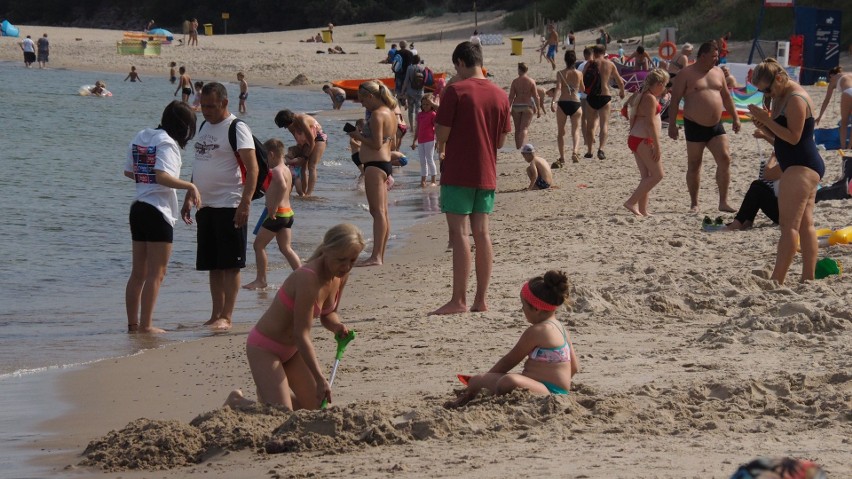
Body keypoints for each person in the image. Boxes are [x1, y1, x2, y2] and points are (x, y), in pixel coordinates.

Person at [224, 224, 365, 410]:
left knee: (317, 409)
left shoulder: (341, 275)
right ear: (326, 251)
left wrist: (336, 325)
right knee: (282, 414)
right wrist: (320, 378)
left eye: (352, 261)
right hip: (265, 348)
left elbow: (328, 313)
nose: (346, 266)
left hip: (292, 351)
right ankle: (238, 402)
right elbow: (301, 335)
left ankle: (268, 396)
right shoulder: (308, 279)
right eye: (341, 260)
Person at [430, 41, 511, 315]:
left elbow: (441, 136)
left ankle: (459, 300)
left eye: (457, 67)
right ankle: (481, 300)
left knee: (459, 234)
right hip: (486, 171)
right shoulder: (501, 94)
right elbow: (500, 141)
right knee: (483, 234)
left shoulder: (455, 90)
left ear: (461, 63)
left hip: (458, 171)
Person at [181, 82, 259, 331]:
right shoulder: (204, 125)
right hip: (206, 205)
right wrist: (189, 194)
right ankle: (215, 314)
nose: (206, 110)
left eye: (211, 106)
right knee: (212, 264)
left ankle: (227, 315)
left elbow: (253, 167)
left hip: (230, 204)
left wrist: (245, 202)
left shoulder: (237, 128)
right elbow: (200, 163)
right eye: (203, 106)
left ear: (225, 103)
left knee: (230, 264)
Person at [445, 270, 579, 408]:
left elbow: (509, 361)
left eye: (524, 306)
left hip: (548, 391)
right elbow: (574, 367)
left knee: (508, 381)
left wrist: (488, 377)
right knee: (475, 381)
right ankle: (477, 388)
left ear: (537, 309)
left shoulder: (537, 331)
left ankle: (484, 394)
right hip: (550, 387)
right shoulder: (562, 329)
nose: (522, 309)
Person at [124, 101, 200, 334]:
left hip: (138, 208)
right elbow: (162, 176)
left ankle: (133, 325)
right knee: (157, 273)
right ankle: (146, 325)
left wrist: (148, 177)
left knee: (138, 273)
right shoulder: (167, 143)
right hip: (158, 211)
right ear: (183, 127)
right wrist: (191, 186)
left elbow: (129, 171)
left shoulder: (142, 135)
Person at [748, 58, 824, 284]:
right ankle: (807, 278)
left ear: (779, 78)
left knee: (788, 226)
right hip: (799, 163)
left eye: (768, 89)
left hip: (802, 165)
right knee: (804, 224)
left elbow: (794, 137)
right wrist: (764, 129)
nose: (767, 95)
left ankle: (777, 280)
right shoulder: (781, 95)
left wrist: (766, 120)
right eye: (763, 92)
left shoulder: (796, 98)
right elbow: (782, 138)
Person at [667, 41, 740, 213]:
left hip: (716, 125)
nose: (716, 59)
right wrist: (672, 125)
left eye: (717, 56)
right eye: (714, 56)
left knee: (725, 159)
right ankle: (694, 203)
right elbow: (675, 99)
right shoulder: (686, 73)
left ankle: (723, 201)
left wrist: (736, 118)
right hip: (694, 124)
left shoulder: (718, 72)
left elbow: (727, 98)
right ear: (703, 55)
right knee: (694, 164)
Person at [347, 80, 398, 267]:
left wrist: (357, 135)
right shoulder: (390, 113)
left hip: (375, 165)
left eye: (362, 99)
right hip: (383, 164)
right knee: (382, 212)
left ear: (370, 96)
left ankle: (376, 256)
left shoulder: (377, 114)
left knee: (377, 212)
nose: (362, 103)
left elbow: (376, 143)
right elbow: (387, 142)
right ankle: (379, 255)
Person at [243, 139, 301, 290]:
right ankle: (303, 275)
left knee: (258, 246)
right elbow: (286, 187)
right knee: (286, 248)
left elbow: (281, 185)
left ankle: (261, 280)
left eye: (265, 157)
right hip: (288, 214)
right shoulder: (286, 169)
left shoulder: (275, 171)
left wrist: (273, 207)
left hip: (277, 215)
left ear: (271, 154)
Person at [623, 69, 670, 217]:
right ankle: (631, 202)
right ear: (659, 84)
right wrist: (656, 146)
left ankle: (643, 210)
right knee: (658, 175)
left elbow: (634, 117)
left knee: (646, 176)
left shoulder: (641, 95)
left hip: (636, 137)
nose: (665, 89)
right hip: (643, 138)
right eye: (665, 85)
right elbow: (650, 123)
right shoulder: (649, 98)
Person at [582, 45, 625, 160]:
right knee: (604, 125)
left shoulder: (589, 63)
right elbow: (620, 81)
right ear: (604, 52)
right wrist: (622, 92)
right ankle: (601, 149)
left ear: (594, 53)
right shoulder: (610, 64)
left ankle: (589, 151)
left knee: (590, 126)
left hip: (591, 97)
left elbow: (582, 79)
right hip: (605, 96)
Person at [274, 109, 327, 197]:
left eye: (285, 125)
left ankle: (308, 194)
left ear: (289, 120)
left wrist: (305, 157)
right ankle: (302, 193)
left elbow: (312, 142)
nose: (286, 128)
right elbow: (299, 141)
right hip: (305, 141)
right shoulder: (290, 125)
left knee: (311, 165)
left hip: (318, 138)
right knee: (302, 167)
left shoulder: (302, 120)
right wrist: (298, 155)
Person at [723, 151, 780, 231]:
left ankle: (737, 224)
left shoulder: (790, 164)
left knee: (757, 190)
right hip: (786, 209)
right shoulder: (797, 161)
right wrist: (764, 137)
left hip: (787, 215)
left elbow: (767, 174)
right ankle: (747, 221)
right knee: (757, 184)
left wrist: (773, 157)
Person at [551, 50, 585, 167]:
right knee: (575, 130)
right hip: (575, 102)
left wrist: (553, 101)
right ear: (575, 61)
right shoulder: (579, 74)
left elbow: (558, 88)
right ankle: (575, 152)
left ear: (565, 60)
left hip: (563, 103)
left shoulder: (560, 73)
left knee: (561, 132)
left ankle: (562, 157)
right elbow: (583, 89)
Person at [815, 66, 852, 150]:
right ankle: (850, 147)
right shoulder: (849, 73)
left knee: (844, 123)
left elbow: (827, 100)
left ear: (831, 75)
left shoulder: (833, 79)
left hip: (848, 92)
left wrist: (820, 116)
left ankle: (843, 147)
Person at [508, 63, 541, 150]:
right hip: (527, 105)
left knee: (517, 129)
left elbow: (511, 96)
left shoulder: (515, 81)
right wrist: (538, 109)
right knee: (524, 128)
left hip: (516, 106)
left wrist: (508, 108)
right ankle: (522, 148)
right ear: (526, 70)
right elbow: (536, 96)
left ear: (519, 70)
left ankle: (518, 147)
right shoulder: (531, 81)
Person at [411, 94, 438, 187]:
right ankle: (423, 180)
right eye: (423, 104)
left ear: (431, 105)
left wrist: (438, 141)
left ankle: (433, 180)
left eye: (427, 104)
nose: (425, 106)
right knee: (422, 161)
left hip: (430, 140)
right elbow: (418, 128)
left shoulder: (433, 114)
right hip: (421, 141)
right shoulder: (420, 115)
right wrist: (414, 141)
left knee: (430, 159)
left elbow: (436, 128)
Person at [402, 55, 426, 128]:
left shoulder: (409, 68)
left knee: (410, 110)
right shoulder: (422, 68)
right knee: (418, 110)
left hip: (410, 92)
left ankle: (412, 127)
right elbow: (424, 81)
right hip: (420, 92)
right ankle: (417, 127)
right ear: (419, 60)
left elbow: (406, 80)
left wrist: (403, 90)